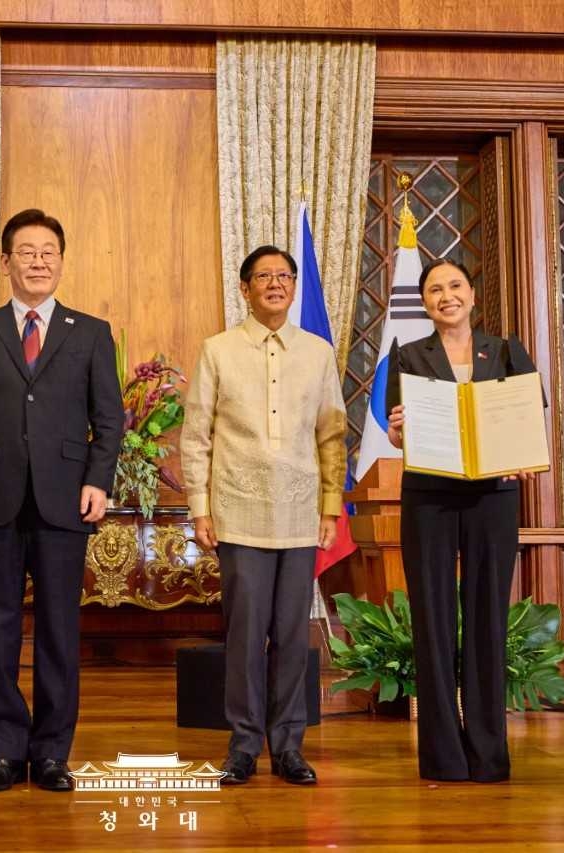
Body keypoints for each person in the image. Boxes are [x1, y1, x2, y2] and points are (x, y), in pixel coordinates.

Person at [0, 208, 123, 793]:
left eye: (48, 251)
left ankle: (50, 753)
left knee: (57, 630)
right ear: (6, 262)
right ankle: (2, 750)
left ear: (61, 261)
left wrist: (98, 479)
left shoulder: (91, 332)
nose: (38, 260)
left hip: (65, 501)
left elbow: (108, 420)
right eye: (26, 251)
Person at [180, 245, 347, 786]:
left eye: (283, 276)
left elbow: (331, 437)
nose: (274, 284)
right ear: (245, 288)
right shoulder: (218, 350)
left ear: (295, 286)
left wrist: (328, 507)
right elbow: (197, 436)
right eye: (263, 277)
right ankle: (244, 745)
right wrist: (200, 508)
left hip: (300, 514)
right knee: (246, 634)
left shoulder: (318, 352)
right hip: (238, 511)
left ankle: (290, 746)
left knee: (293, 634)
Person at [384, 258, 539, 783]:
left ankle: (489, 755)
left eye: (454, 286)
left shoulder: (505, 350)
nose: (445, 296)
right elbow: (396, 431)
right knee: (432, 622)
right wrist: (400, 430)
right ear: (424, 303)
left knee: (487, 621)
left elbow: (528, 415)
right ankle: (443, 758)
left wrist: (521, 448)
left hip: (492, 497)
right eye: (434, 289)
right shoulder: (406, 356)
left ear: (473, 295)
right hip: (428, 497)